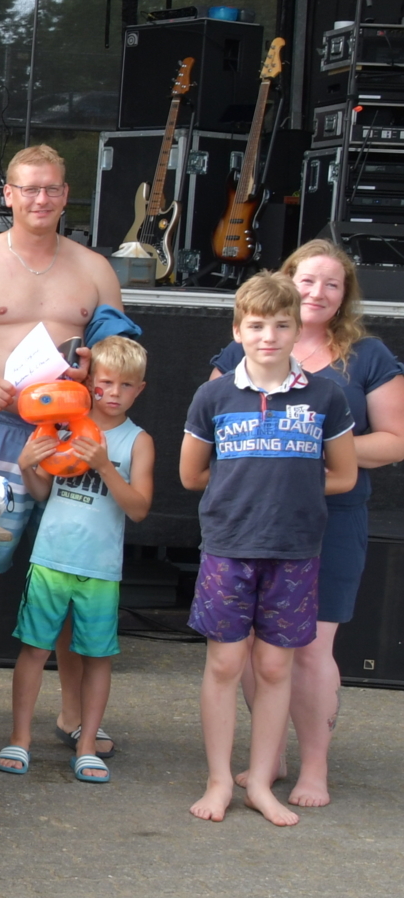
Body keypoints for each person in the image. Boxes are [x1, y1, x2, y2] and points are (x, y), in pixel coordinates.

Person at [0, 143, 124, 754]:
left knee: (70, 571)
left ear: (66, 196)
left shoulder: (95, 269)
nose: (41, 199)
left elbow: (119, 357)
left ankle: (73, 712)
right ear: (7, 195)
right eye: (29, 188)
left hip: (71, 438)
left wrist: (93, 367)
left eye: (52, 188)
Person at [208, 240, 404, 807]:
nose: (318, 292)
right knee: (251, 644)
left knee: (313, 648)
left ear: (345, 296)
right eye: (308, 280)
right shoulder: (240, 349)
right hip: (253, 518)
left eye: (332, 284)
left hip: (332, 518)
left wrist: (310, 450)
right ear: (287, 282)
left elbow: (395, 441)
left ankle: (315, 765)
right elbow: (214, 430)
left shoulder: (367, 356)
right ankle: (268, 759)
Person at [181, 273, 356, 827]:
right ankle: (218, 780)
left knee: (276, 666)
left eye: (282, 325)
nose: (269, 336)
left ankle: (259, 781)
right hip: (228, 547)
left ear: (298, 329)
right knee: (225, 663)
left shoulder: (326, 395)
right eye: (256, 326)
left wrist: (290, 486)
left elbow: (344, 474)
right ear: (238, 330)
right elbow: (191, 475)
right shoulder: (213, 395)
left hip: (295, 549)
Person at [0, 335, 153, 784]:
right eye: (105, 382)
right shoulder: (62, 425)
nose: (114, 393)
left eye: (126, 385)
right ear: (89, 384)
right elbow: (43, 493)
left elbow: (139, 509)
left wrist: (104, 466)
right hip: (50, 559)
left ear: (139, 390)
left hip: (100, 570)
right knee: (33, 650)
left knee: (97, 657)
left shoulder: (138, 441)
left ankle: (86, 746)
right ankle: (20, 739)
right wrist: (27, 465)